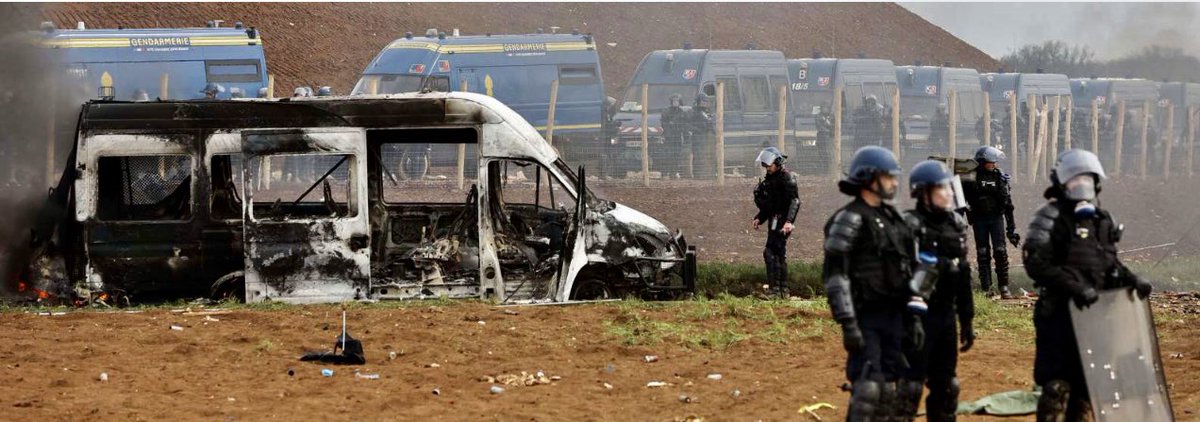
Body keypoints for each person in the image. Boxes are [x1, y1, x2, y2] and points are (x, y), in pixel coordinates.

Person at [1023, 149, 1153, 421]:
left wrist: (1132, 279)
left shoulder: (1101, 219)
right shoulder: (1049, 216)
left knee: (1087, 387)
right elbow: (1037, 264)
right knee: (1057, 385)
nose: (1081, 185)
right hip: (1060, 314)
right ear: (1061, 183)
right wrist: (1075, 287)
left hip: (1096, 316)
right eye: (1074, 179)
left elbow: (1109, 263)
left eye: (1087, 179)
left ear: (1096, 183)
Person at [823, 146, 924, 420]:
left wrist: (913, 316)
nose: (894, 182)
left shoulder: (893, 220)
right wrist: (847, 322)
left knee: (896, 390)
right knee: (868, 390)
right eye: (889, 177)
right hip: (865, 317)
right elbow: (835, 275)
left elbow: (910, 269)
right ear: (870, 178)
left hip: (896, 316)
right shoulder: (849, 218)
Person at [902, 160, 976, 422]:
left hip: (945, 317)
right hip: (916, 316)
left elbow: (963, 273)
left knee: (947, 387)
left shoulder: (956, 223)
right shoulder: (908, 226)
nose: (947, 193)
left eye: (948, 187)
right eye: (940, 189)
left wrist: (966, 319)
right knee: (908, 388)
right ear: (923, 193)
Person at [962, 146, 1019, 298]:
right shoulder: (969, 178)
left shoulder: (1000, 178)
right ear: (981, 162)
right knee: (982, 253)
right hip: (979, 219)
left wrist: (1011, 230)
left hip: (996, 219)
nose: (994, 164)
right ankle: (987, 288)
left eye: (995, 161)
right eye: (990, 161)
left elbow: (1008, 205)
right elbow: (961, 201)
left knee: (1000, 251)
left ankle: (1004, 287)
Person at [752, 147, 800, 298]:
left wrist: (788, 221)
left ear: (778, 163)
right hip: (774, 219)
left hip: (783, 221)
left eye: (769, 164)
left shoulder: (787, 178)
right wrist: (759, 217)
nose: (766, 167)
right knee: (776, 253)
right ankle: (780, 291)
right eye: (765, 165)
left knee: (772, 253)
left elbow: (795, 201)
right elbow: (771, 205)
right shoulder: (771, 179)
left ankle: (777, 291)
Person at [660, 94, 689, 178]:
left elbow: (685, 124)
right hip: (669, 137)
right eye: (674, 101)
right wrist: (668, 132)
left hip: (678, 136)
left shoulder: (682, 112)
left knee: (676, 155)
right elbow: (664, 124)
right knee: (667, 155)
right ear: (671, 102)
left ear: (680, 101)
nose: (675, 102)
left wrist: (685, 135)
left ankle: (674, 172)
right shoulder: (666, 111)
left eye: (677, 101)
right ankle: (665, 173)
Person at [689, 93, 715, 178]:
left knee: (707, 156)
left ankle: (708, 174)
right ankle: (697, 174)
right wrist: (697, 130)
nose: (705, 103)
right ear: (698, 102)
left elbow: (711, 125)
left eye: (706, 101)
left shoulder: (708, 113)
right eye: (703, 101)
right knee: (698, 156)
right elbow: (689, 125)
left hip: (707, 138)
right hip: (698, 138)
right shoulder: (694, 112)